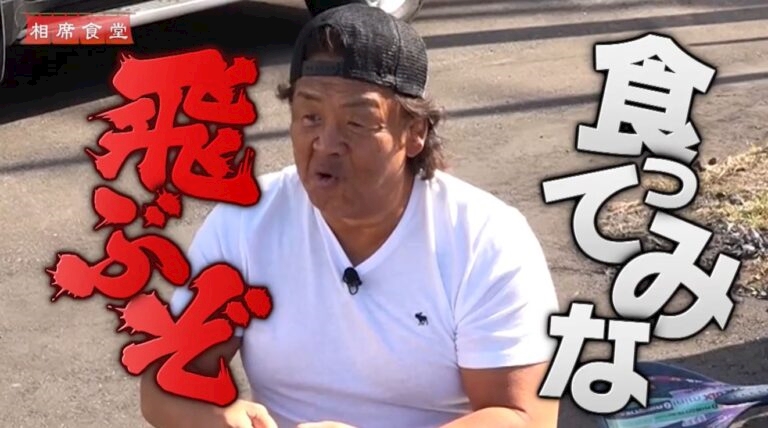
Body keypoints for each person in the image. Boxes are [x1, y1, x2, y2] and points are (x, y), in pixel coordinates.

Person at [140, 4, 561, 428]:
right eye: (310, 117)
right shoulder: (245, 219)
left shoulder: (484, 238)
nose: (326, 143)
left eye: (357, 122)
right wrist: (223, 420)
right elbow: (165, 383)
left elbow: (524, 417)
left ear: (415, 132)